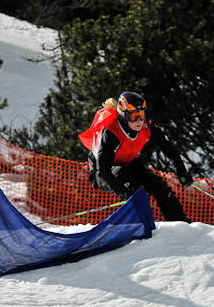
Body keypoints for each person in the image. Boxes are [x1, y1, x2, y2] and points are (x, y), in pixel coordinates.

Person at [79, 91, 193, 222]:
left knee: (160, 187)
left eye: (141, 115)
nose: (139, 121)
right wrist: (124, 193)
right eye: (134, 116)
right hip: (101, 173)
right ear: (123, 116)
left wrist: (182, 171)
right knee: (132, 186)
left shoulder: (146, 126)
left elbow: (169, 149)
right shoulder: (111, 132)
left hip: (128, 163)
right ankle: (143, 224)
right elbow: (103, 170)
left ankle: (180, 224)